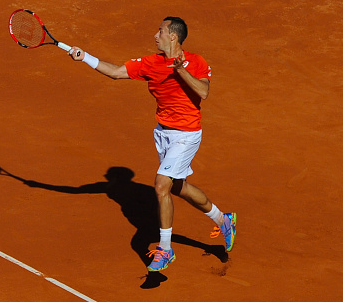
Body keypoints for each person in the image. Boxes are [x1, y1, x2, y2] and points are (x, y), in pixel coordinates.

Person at [68, 16, 236, 272]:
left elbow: (203, 92)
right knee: (177, 187)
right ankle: (223, 219)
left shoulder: (197, 62)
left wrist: (180, 70)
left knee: (160, 185)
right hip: (163, 134)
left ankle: (165, 250)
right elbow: (115, 72)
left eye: (160, 31)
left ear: (173, 37)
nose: (155, 35)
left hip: (186, 134)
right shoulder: (151, 63)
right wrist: (85, 57)